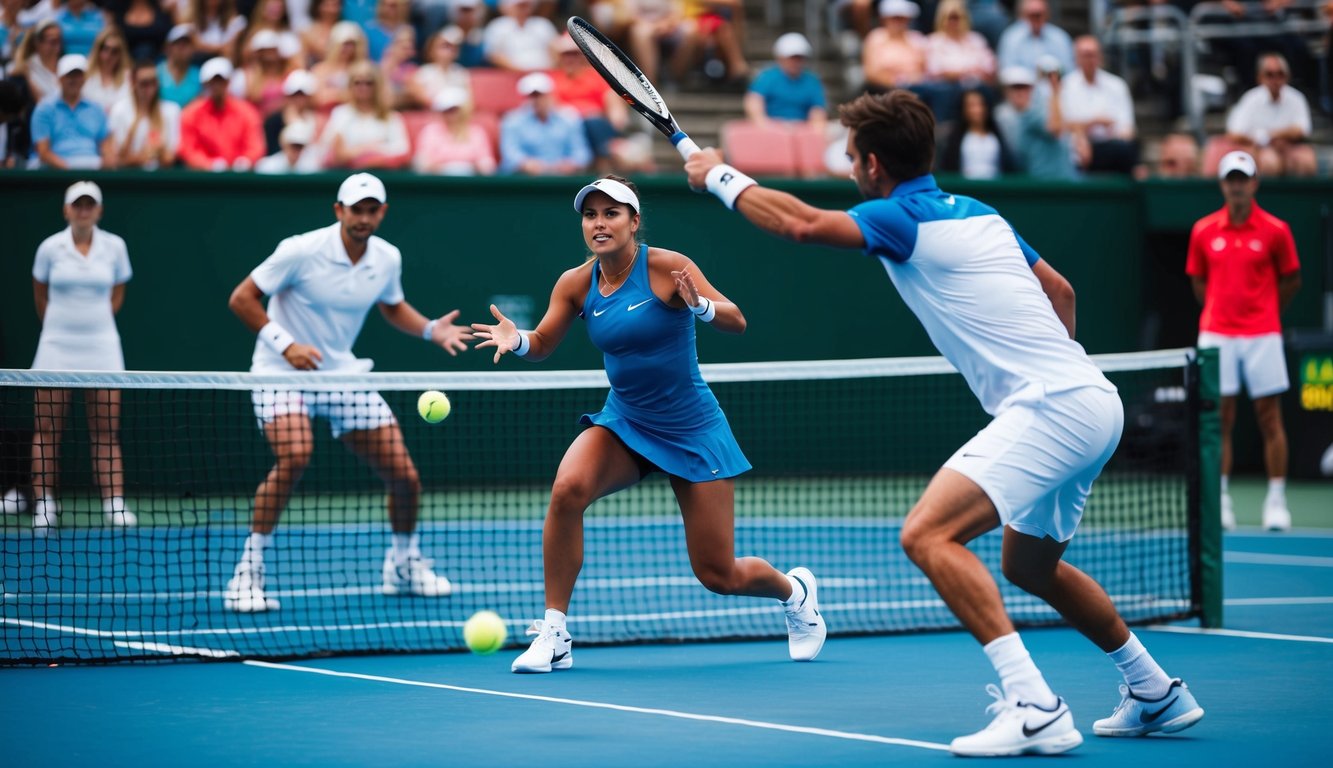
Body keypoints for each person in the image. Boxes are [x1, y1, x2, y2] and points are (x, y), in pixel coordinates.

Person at [683, 89, 1204, 756]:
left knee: (927, 534)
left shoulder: (899, 218)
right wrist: (1048, 370)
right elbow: (1061, 290)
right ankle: (1154, 690)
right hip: (1093, 399)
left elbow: (800, 225)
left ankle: (1033, 704)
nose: (847, 170)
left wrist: (717, 176)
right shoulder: (983, 213)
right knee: (1030, 566)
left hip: (1051, 406)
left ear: (873, 165)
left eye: (849, 159)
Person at [469, 174, 827, 674]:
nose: (599, 223)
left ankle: (795, 592)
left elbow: (736, 319)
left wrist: (699, 305)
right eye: (590, 215)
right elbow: (544, 342)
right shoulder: (575, 283)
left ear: (634, 222)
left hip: (692, 431)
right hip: (626, 422)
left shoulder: (668, 267)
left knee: (718, 573)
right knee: (567, 488)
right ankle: (555, 632)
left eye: (611, 213)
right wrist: (519, 340)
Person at [223, 172, 473, 613]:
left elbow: (392, 305)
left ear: (382, 213)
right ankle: (248, 572)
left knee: (405, 478)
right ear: (339, 211)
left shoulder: (386, 257)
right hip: (280, 371)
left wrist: (432, 330)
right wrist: (287, 346)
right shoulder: (300, 250)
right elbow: (241, 298)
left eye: (371, 209)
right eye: (355, 209)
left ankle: (402, 565)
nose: (363, 217)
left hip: (341, 373)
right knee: (296, 454)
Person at [1, 182, 136, 530]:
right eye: (78, 204)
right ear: (66, 210)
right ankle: (45, 503)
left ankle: (114, 504)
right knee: (46, 429)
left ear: (99, 211)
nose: (84, 210)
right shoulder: (50, 248)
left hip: (103, 346)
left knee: (106, 431)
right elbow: (39, 295)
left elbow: (117, 295)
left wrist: (95, 324)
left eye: (90, 204)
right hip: (56, 346)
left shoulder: (115, 247)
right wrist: (59, 329)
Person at [1185, 150, 1301, 532]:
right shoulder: (1203, 230)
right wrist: (1222, 312)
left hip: (1262, 334)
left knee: (1270, 417)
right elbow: (1199, 282)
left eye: (1243, 179)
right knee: (1221, 418)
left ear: (1254, 183)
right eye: (1230, 179)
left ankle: (1276, 501)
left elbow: (1291, 280)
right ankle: (1222, 499)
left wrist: (1264, 311)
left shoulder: (1276, 230)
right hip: (1217, 334)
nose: (1237, 186)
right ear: (1223, 184)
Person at [1222, 53, 1317, 178]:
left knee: (1306, 160)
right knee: (1269, 162)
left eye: (1280, 74)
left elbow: (1302, 129)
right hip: (1259, 149)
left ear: (1287, 77)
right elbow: (1234, 133)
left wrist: (1271, 136)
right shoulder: (1251, 99)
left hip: (1290, 148)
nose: (1275, 79)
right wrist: (1262, 141)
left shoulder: (1296, 98)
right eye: (1270, 74)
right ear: (1260, 77)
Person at [1060, 35, 1138, 176]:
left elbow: (1127, 128)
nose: (1090, 60)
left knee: (1126, 149)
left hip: (1113, 147)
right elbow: (1063, 125)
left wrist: (1116, 137)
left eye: (1093, 55)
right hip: (1076, 150)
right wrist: (1092, 124)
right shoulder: (1066, 86)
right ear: (1076, 58)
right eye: (1086, 55)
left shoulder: (1117, 85)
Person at [178, 56, 265, 171]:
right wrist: (209, 165)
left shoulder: (247, 112)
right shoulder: (191, 113)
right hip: (202, 178)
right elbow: (188, 149)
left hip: (240, 179)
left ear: (228, 82)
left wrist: (246, 161)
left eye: (221, 81)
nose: (217, 86)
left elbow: (256, 145)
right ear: (205, 84)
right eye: (213, 82)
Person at [497, 71, 590, 176]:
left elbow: (581, 153)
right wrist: (525, 163)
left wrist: (571, 164)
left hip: (562, 179)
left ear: (551, 95)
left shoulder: (569, 118)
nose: (536, 100)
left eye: (540, 95)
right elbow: (510, 154)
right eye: (532, 96)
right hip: (524, 180)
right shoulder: (512, 121)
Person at [31, 53, 115, 169]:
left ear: (84, 78)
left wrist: (107, 162)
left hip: (91, 167)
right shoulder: (44, 109)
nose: (74, 80)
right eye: (69, 76)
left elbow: (106, 147)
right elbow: (43, 151)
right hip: (54, 171)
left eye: (78, 75)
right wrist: (69, 170)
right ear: (60, 78)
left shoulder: (97, 109)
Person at [994, 64, 1076, 180]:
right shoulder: (1005, 116)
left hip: (1056, 181)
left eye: (1024, 87)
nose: (1019, 92)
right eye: (1015, 88)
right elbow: (1057, 128)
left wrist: (1055, 93)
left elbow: (1057, 128)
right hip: (1040, 181)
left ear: (1031, 90)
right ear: (1006, 91)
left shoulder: (1035, 111)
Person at [743, 32, 827, 130]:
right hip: (771, 128)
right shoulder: (767, 77)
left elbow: (818, 111)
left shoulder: (812, 80)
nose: (796, 62)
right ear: (781, 58)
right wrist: (763, 124)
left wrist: (812, 128)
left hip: (801, 129)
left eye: (799, 58)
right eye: (792, 58)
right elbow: (754, 101)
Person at [109, 58, 180, 169]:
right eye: (144, 83)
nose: (150, 88)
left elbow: (170, 158)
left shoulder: (172, 110)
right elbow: (118, 158)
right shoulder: (119, 110)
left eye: (154, 82)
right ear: (133, 82)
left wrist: (159, 151)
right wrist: (145, 156)